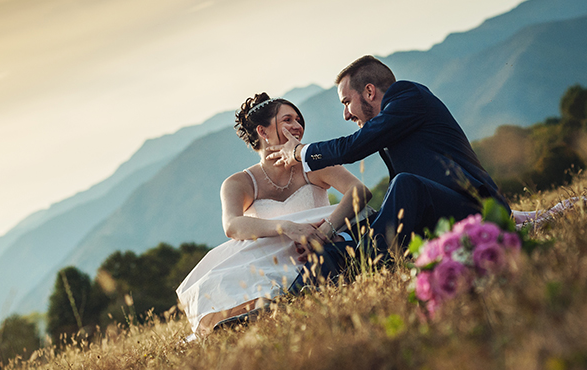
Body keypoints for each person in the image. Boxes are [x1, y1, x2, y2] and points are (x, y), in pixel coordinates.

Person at [268, 55, 510, 257]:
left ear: (370, 92)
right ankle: (311, 278)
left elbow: (353, 148)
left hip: (474, 209)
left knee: (404, 183)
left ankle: (365, 261)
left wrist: (300, 152)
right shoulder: (394, 115)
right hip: (435, 211)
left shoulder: (409, 97)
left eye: (346, 102)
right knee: (352, 231)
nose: (346, 115)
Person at [176, 93, 372, 337]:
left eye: (299, 120)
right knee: (216, 280)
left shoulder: (312, 163)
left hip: (319, 249)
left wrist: (324, 232)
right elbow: (233, 225)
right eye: (287, 120)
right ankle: (247, 318)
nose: (297, 126)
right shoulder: (238, 183)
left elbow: (359, 191)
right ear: (263, 131)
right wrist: (287, 227)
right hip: (271, 258)